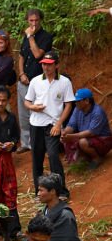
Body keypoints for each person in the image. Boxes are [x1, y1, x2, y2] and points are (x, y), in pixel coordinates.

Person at [24, 49, 75, 193]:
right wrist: (33, 107)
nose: (46, 67)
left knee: (53, 155)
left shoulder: (65, 82)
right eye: (44, 64)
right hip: (36, 124)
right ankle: (39, 191)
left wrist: (59, 124)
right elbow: (27, 102)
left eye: (49, 64)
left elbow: (69, 104)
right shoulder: (35, 81)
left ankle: (61, 191)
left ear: (57, 65)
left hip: (53, 124)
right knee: (37, 157)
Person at [16, 9, 54, 152]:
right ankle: (26, 143)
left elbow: (38, 55)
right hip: (24, 80)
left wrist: (31, 37)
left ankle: (37, 144)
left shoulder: (46, 37)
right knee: (23, 113)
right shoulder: (25, 37)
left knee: (36, 112)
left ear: (41, 20)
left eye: (36, 20)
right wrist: (21, 74)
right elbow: (21, 56)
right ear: (27, 20)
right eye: (31, 20)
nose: (34, 23)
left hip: (38, 81)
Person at [61, 88, 112, 166]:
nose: (76, 103)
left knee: (82, 142)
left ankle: (97, 158)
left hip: (103, 140)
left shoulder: (97, 112)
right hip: (87, 137)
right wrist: (65, 133)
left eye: (78, 101)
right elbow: (71, 125)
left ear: (87, 101)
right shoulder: (77, 109)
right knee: (67, 138)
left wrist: (71, 136)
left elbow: (90, 133)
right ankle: (83, 158)